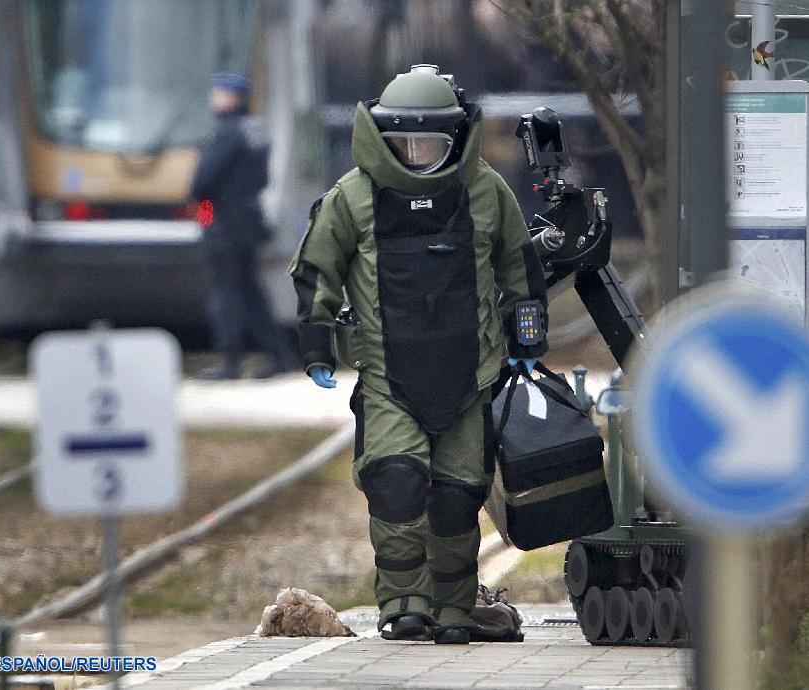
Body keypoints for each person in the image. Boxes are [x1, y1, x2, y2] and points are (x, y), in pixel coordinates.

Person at [289, 65, 548, 644]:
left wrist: (528, 335)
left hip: (470, 376)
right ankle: (404, 602)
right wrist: (317, 340)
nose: (416, 154)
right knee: (396, 483)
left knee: (458, 499)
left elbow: (519, 267)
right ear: (382, 139)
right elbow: (317, 270)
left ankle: (455, 608)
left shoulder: (485, 191)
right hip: (388, 377)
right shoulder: (353, 197)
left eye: (430, 142)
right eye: (404, 143)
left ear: (455, 139)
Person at [192, 72, 291, 380]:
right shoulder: (257, 129)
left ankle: (229, 361)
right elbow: (262, 179)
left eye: (218, 93)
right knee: (250, 290)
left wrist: (205, 221)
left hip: (221, 220)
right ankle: (279, 354)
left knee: (226, 292)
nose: (214, 98)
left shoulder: (226, 132)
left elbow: (202, 185)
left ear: (231, 96)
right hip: (250, 219)